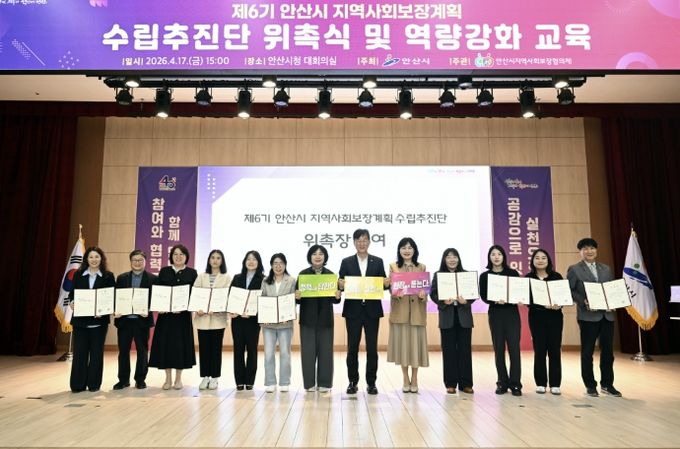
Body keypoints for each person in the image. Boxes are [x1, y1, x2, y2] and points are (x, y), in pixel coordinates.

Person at [567, 237, 621, 397]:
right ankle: (590, 385)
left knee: (608, 352)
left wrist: (614, 301)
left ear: (596, 250)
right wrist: (582, 301)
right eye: (585, 249)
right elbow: (569, 290)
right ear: (580, 252)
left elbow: (611, 289)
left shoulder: (606, 268)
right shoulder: (574, 269)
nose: (589, 251)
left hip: (607, 315)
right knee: (587, 352)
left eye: (592, 248)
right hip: (588, 316)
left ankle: (607, 384)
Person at [338, 228, 389, 395]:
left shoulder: (378, 261)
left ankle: (371, 383)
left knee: (372, 349)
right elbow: (341, 284)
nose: (362, 243)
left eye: (365, 240)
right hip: (353, 311)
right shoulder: (346, 262)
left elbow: (382, 284)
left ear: (369, 242)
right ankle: (352, 382)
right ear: (354, 242)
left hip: (372, 311)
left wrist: (386, 283)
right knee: (352, 348)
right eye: (359, 240)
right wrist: (340, 284)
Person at [149, 244, 198, 390]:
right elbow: (158, 292)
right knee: (166, 346)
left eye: (181, 254)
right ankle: (168, 378)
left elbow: (195, 295)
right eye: (175, 254)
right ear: (171, 256)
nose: (178, 257)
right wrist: (160, 307)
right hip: (166, 318)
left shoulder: (192, 273)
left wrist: (186, 306)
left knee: (180, 347)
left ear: (186, 257)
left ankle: (178, 379)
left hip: (182, 318)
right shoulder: (164, 271)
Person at [68, 246, 115, 393]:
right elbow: (72, 293)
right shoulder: (78, 274)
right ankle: (78, 384)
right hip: (80, 322)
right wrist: (72, 302)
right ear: (86, 259)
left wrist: (104, 310)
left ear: (101, 259)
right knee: (80, 353)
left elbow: (111, 296)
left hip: (99, 323)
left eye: (97, 257)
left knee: (96, 354)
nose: (94, 260)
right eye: (91, 257)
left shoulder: (108, 276)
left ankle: (94, 384)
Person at [296, 245, 341, 392]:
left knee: (326, 352)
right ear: (310, 257)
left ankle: (324, 383)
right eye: (314, 254)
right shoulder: (303, 275)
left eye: (321, 254)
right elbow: (298, 300)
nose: (317, 256)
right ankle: (309, 383)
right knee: (308, 353)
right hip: (307, 320)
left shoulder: (330, 275)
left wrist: (337, 296)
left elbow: (334, 300)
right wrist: (297, 297)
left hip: (325, 320)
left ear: (325, 257)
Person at [430, 248, 475, 395]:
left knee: (465, 350)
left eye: (455, 257)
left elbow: (473, 294)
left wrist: (466, 301)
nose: (452, 260)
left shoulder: (466, 275)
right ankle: (450, 384)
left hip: (464, 317)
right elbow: (433, 294)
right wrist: (443, 301)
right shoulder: (438, 275)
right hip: (447, 316)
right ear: (444, 259)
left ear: (458, 259)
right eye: (448, 257)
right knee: (448, 350)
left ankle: (466, 383)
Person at [479, 244, 523, 396]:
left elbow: (518, 292)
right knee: (499, 349)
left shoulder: (512, 273)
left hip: (511, 313)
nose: (496, 257)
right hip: (495, 313)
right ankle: (502, 383)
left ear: (504, 256)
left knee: (514, 349)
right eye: (493, 254)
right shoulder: (484, 276)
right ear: (489, 257)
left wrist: (514, 299)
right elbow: (483, 296)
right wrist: (495, 300)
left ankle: (515, 384)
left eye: (499, 254)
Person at [387, 237, 429, 393]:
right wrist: (395, 292)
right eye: (403, 248)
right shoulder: (393, 266)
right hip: (400, 312)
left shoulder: (421, 267)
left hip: (417, 312)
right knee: (403, 347)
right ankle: (405, 378)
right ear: (399, 250)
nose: (406, 250)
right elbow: (391, 289)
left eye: (410, 248)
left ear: (414, 250)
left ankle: (415, 378)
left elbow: (425, 290)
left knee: (416, 347)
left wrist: (423, 295)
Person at [113, 249, 157, 390]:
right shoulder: (121, 278)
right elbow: (115, 297)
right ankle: (123, 380)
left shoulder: (153, 279)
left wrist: (148, 309)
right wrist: (115, 310)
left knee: (142, 351)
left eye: (140, 260)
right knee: (123, 351)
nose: (137, 263)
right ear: (130, 261)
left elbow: (155, 299)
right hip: (124, 321)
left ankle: (140, 379)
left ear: (145, 261)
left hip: (142, 321)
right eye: (134, 260)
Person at [526, 249, 564, 395]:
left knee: (555, 350)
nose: (540, 260)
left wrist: (559, 304)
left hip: (555, 318)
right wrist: (543, 305)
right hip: (537, 318)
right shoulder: (528, 278)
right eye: (537, 258)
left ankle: (555, 383)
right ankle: (541, 383)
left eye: (543, 257)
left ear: (548, 260)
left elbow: (563, 296)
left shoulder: (556, 277)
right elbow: (527, 300)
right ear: (533, 261)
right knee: (539, 350)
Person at [194, 249, 232, 391]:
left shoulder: (226, 277)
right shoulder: (201, 276)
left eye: (218, 258)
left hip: (218, 319)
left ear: (222, 261)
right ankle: (205, 376)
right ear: (209, 260)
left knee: (216, 349)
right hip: (202, 318)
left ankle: (215, 377)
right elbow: (195, 294)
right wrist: (198, 308)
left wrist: (218, 308)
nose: (215, 260)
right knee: (204, 349)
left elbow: (228, 297)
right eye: (213, 257)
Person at [260, 253, 296, 393]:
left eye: (281, 263)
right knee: (268, 353)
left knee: (285, 353)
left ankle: (284, 382)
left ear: (285, 265)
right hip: (268, 324)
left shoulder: (291, 280)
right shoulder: (265, 281)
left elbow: (293, 301)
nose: (278, 266)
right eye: (275, 263)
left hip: (285, 324)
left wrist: (289, 315)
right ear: (271, 265)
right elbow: (262, 299)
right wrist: (264, 316)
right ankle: (270, 382)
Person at [229, 250, 265, 391]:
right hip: (237, 320)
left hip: (253, 321)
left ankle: (250, 381)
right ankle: (239, 381)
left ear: (258, 262)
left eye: (254, 259)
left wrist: (252, 313)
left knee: (252, 350)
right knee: (238, 350)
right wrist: (232, 310)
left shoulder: (263, 279)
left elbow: (264, 301)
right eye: (248, 259)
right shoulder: (237, 277)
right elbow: (231, 297)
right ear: (244, 262)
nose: (251, 262)